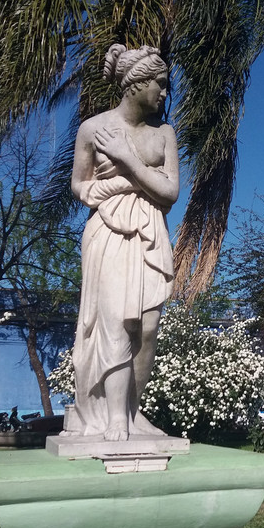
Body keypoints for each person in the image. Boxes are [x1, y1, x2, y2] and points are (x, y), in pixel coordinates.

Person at [69, 44, 179, 440]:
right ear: (137, 83)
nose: (164, 93)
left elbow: (169, 193)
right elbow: (78, 183)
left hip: (150, 230)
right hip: (110, 231)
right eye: (160, 85)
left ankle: (133, 410)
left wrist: (128, 162)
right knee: (117, 322)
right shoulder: (92, 129)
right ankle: (115, 417)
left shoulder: (164, 134)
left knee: (148, 327)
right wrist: (108, 188)